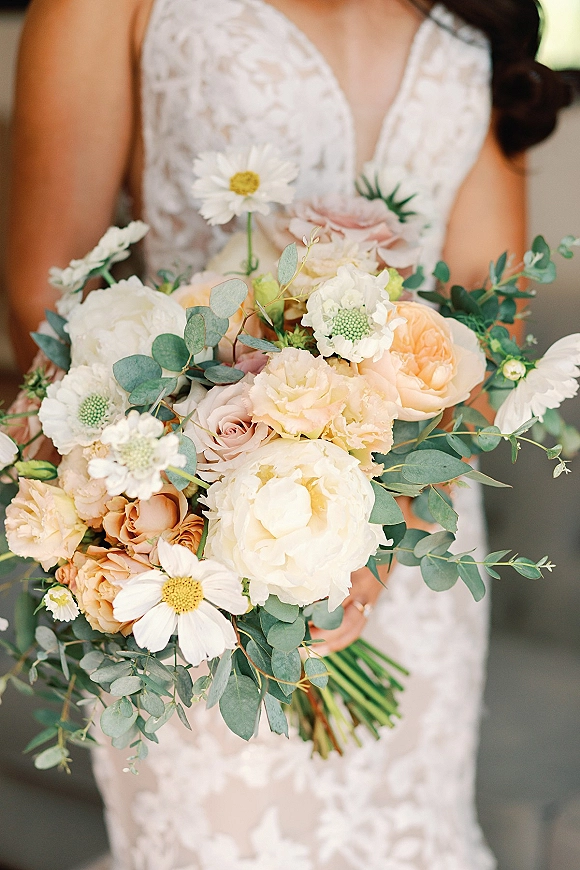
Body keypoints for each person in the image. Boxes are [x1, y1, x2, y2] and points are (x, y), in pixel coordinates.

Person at [6, 1, 569, 868]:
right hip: (198, 546)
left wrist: (383, 527)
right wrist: (210, 475)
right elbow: (46, 292)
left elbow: (485, 318)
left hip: (415, 553)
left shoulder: (475, 9)